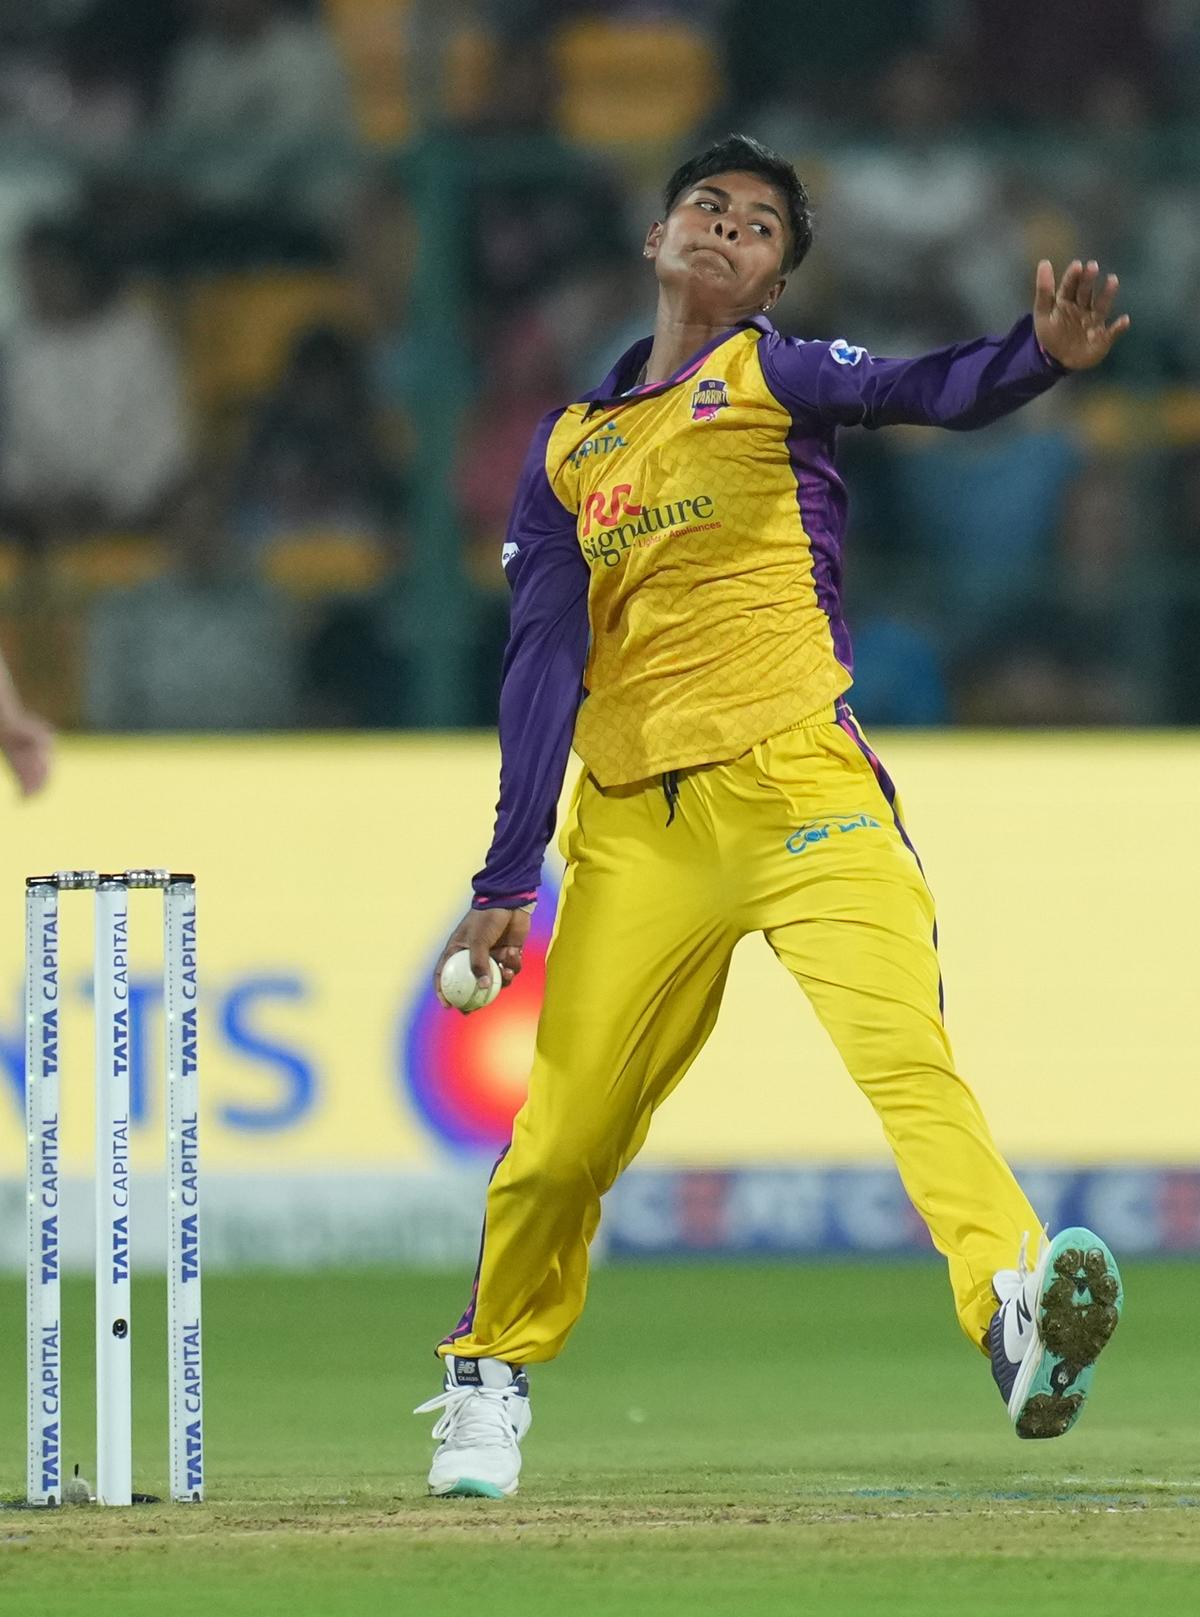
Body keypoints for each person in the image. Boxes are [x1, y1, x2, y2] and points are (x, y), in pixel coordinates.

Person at [416, 135, 1128, 1498]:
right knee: (563, 1138)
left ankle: (1014, 1310)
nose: (728, 230)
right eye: (708, 206)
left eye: (759, 228)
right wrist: (508, 871)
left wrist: (1034, 358)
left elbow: (928, 387)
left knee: (908, 1063)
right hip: (639, 829)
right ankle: (488, 1371)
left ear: (774, 281)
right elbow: (542, 662)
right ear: (659, 235)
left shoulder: (775, 373)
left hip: (807, 789)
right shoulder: (572, 448)